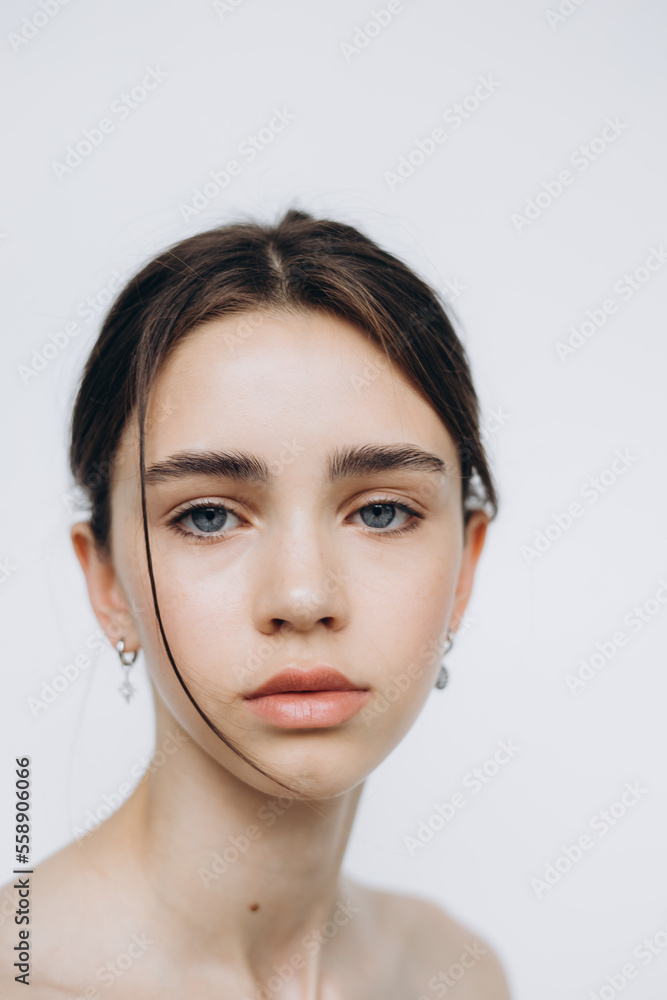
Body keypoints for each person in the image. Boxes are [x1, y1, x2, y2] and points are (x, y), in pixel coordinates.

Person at [2, 209, 511, 998]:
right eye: (207, 516)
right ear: (107, 581)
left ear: (464, 568)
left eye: (381, 511)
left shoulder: (455, 974)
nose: (302, 598)